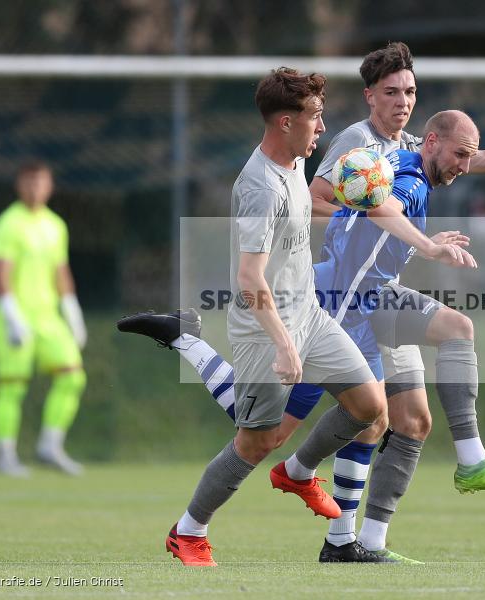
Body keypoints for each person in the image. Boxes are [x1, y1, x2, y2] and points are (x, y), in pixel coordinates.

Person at [121, 42, 485, 563]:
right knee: (260, 433)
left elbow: (435, 179)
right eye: (392, 92)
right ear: (368, 96)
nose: (403, 101)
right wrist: (365, 215)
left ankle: (347, 532)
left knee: (382, 410)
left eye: (410, 91)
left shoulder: (383, 149)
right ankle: (195, 508)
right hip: (300, 306)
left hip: (330, 301)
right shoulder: (329, 156)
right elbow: (265, 263)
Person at [161, 67, 393, 567]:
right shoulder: (260, 186)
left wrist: (362, 215)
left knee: (368, 405)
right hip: (266, 332)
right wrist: (285, 345)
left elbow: (304, 220)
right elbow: (250, 277)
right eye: (315, 118)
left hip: (308, 315)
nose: (322, 128)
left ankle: (299, 471)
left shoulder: (293, 165)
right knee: (256, 439)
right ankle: (188, 530)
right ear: (286, 122)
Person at [0, 161, 87, 477]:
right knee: (12, 387)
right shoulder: (7, 224)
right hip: (14, 315)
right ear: (19, 185)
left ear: (50, 186)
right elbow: (0, 275)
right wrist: (12, 315)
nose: (35, 188)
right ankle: (5, 454)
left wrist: (72, 310)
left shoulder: (55, 225)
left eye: (41, 182)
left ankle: (50, 446)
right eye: (29, 182)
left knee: (72, 376)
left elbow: (60, 271)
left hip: (48, 317)